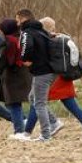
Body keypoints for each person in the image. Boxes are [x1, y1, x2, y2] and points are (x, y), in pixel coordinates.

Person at [24, 17, 82, 138]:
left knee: (38, 102)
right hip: (64, 76)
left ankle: (27, 132)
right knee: (71, 105)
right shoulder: (62, 38)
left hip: (53, 77)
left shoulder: (47, 40)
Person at [0, 19, 32, 141]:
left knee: (14, 103)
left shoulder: (8, 42)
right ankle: (23, 128)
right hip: (25, 74)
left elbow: (0, 62)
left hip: (13, 77)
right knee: (18, 104)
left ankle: (19, 131)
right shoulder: (23, 38)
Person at [17, 9, 55, 142]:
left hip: (41, 72)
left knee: (39, 103)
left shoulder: (27, 32)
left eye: (17, 20)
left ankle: (45, 135)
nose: (17, 23)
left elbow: (26, 47)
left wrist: (25, 60)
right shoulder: (41, 31)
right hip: (48, 70)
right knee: (32, 97)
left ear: (22, 19)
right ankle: (54, 122)